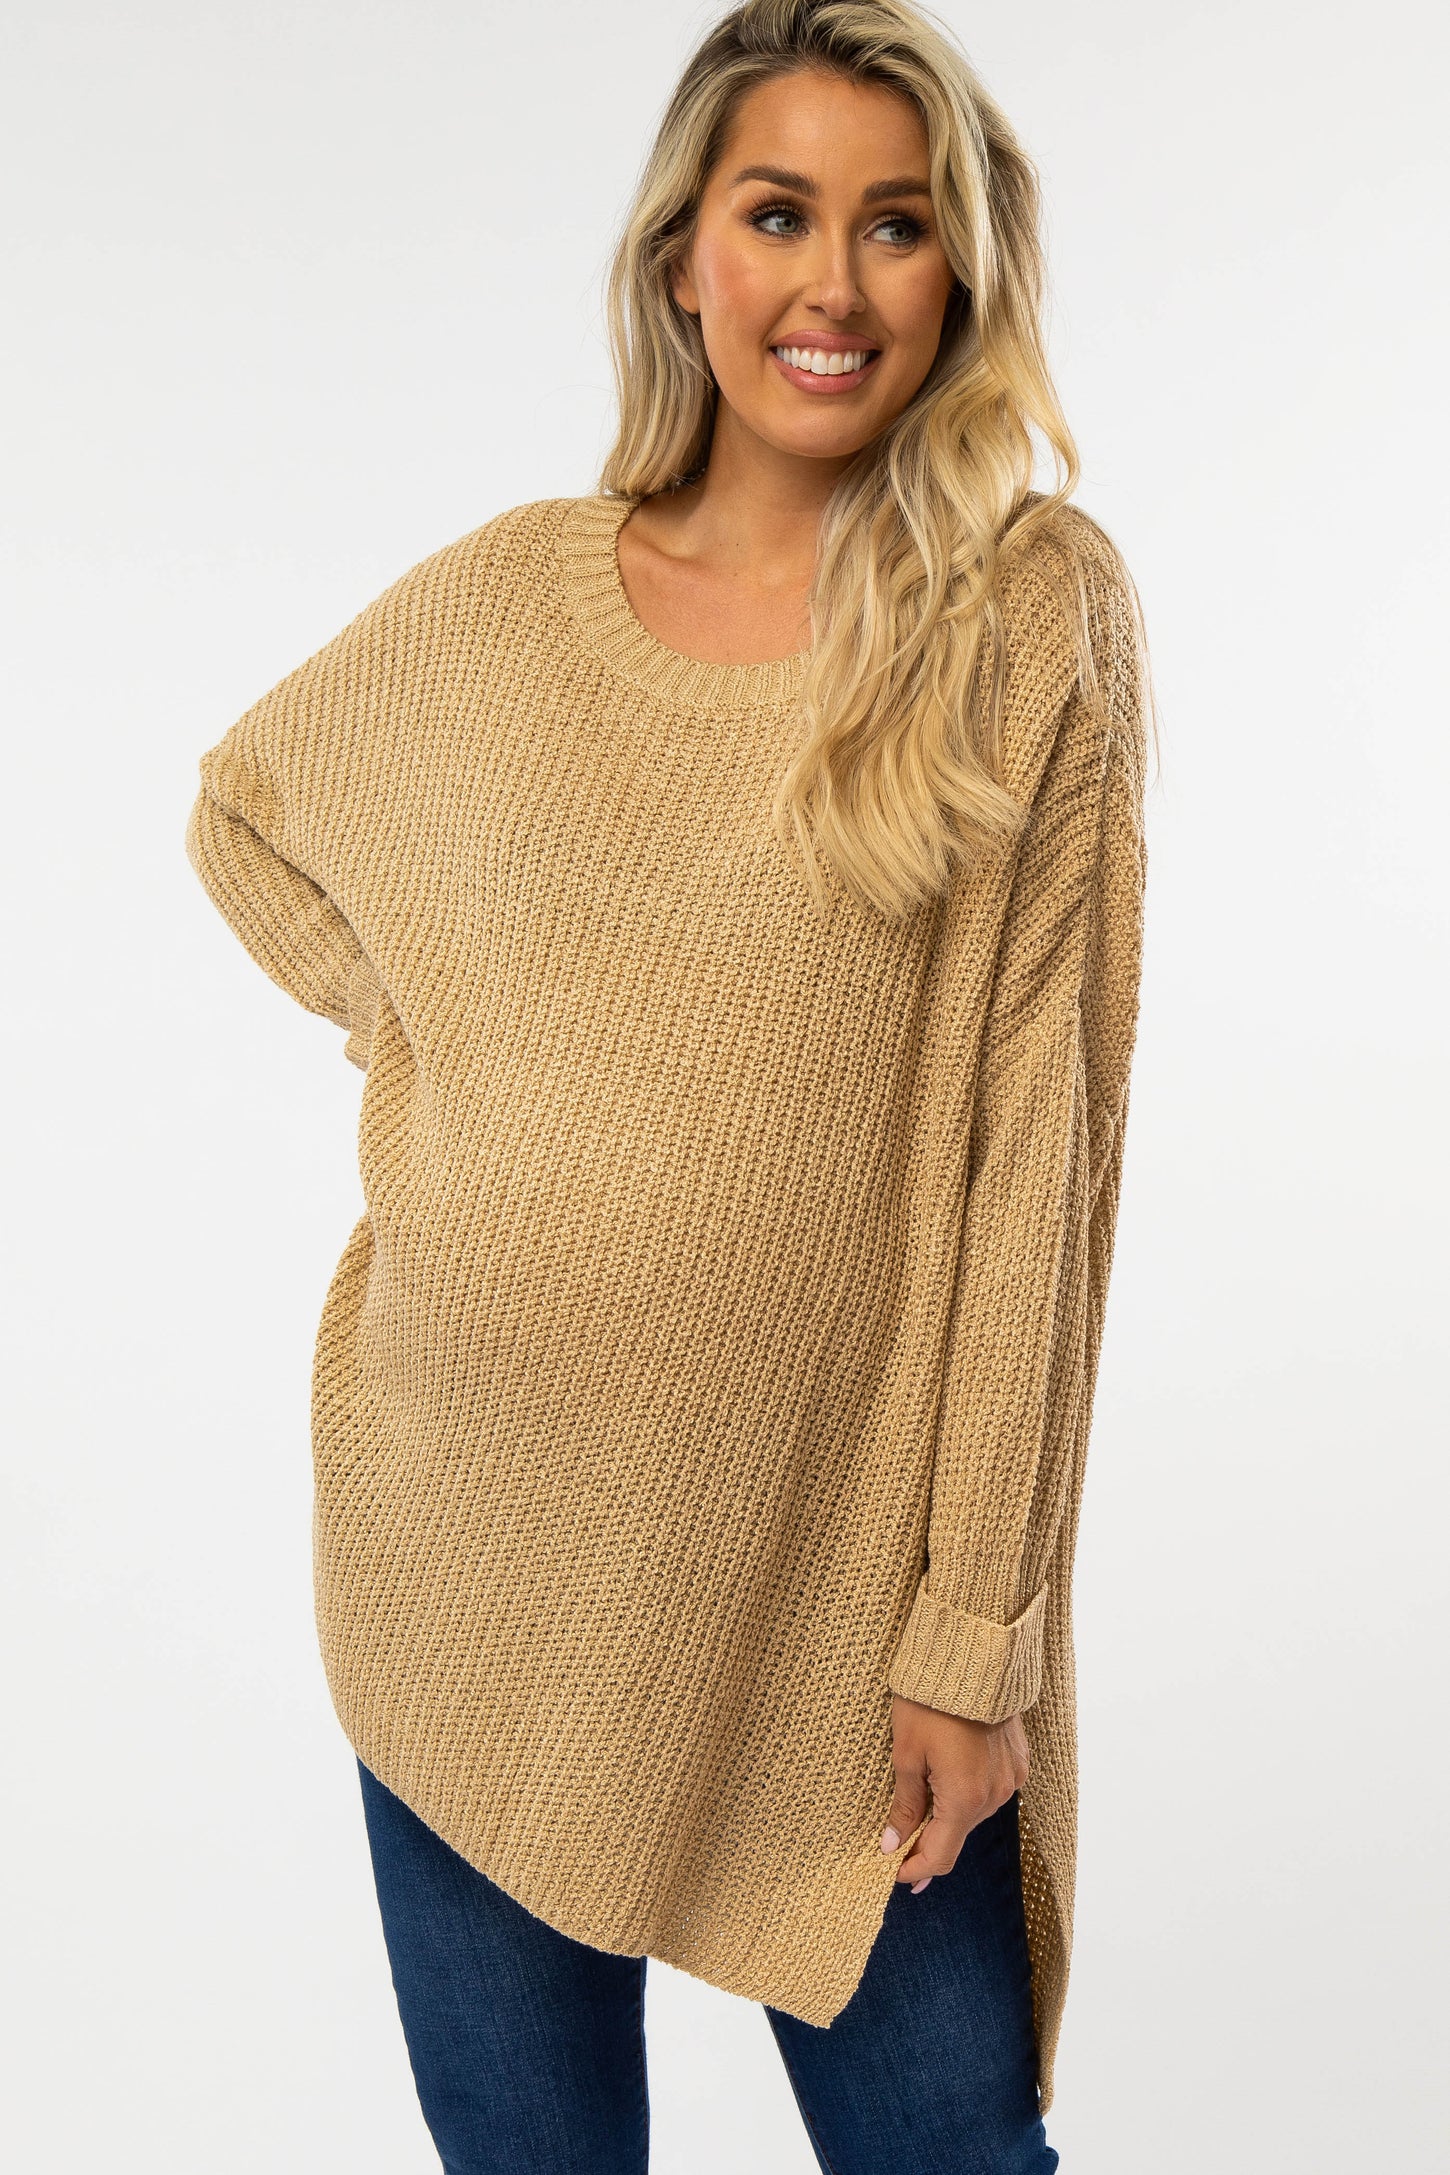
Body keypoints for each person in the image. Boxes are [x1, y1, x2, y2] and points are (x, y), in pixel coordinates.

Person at [183, 1, 1151, 2167]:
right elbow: (248, 813)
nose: (834, 283)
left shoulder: (1018, 613)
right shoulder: (510, 601)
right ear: (681, 260)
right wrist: (440, 1042)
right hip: (472, 1554)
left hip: (836, 1597)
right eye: (777, 213)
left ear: (962, 268)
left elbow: (1041, 1165)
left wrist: (972, 1636)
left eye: (895, 223)